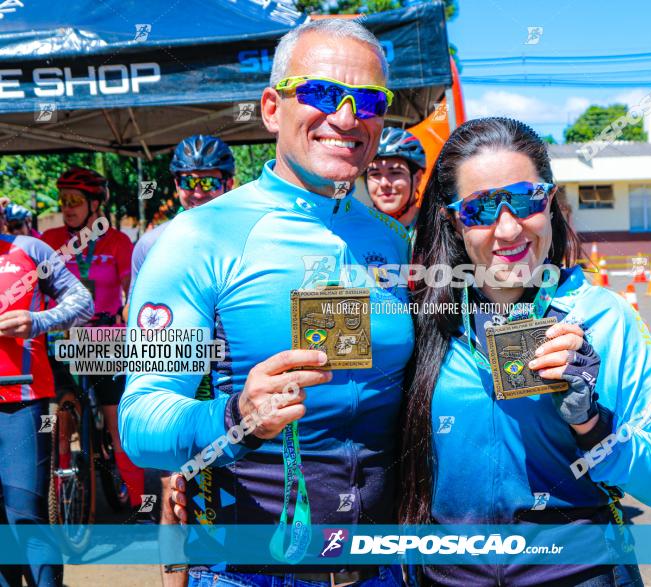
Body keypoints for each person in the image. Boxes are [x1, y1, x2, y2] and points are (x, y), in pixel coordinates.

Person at [120, 18, 412, 586]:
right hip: (251, 570)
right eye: (323, 93)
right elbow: (139, 420)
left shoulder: (391, 239)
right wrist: (235, 419)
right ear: (272, 108)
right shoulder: (198, 237)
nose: (347, 118)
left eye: (369, 100)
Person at [400, 117, 651, 586]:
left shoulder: (604, 317)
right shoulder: (423, 319)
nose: (508, 228)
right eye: (480, 209)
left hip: (576, 570)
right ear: (453, 220)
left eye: (524, 199)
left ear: (550, 203)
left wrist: (593, 425)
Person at [124, 134, 236, 587]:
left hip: (233, 382)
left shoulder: (251, 235)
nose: (198, 190)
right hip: (180, 378)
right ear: (175, 185)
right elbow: (145, 328)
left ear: (228, 182)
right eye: (188, 180)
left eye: (208, 180)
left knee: (229, 494)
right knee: (175, 492)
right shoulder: (152, 244)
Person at [40, 167, 145, 514]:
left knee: (117, 425)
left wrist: (128, 312)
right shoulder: (50, 239)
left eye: (75, 201)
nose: (67, 207)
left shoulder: (117, 242)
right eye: (64, 200)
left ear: (95, 204)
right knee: (62, 413)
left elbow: (133, 291)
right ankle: (62, 473)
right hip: (61, 337)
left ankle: (135, 503)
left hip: (104, 339)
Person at [0, 200, 93, 587]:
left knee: (25, 512)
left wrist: (38, 320)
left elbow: (82, 302)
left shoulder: (29, 250)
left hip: (22, 402)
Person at [365, 127, 426, 234]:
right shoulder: (356, 230)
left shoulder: (438, 227)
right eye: (375, 174)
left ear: (417, 178)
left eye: (395, 173)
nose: (384, 183)